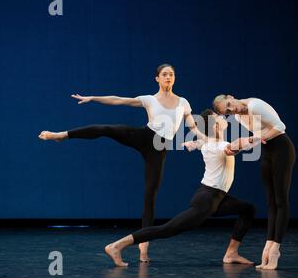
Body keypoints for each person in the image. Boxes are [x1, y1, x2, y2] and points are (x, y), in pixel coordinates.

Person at [38, 64, 205, 262]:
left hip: (159, 148)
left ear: (174, 78)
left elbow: (192, 126)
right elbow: (118, 100)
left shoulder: (183, 102)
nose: (168, 77)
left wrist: (205, 138)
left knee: (150, 194)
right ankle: (62, 135)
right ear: (157, 79)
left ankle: (143, 247)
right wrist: (93, 98)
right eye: (164, 74)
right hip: (144, 136)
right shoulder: (149, 99)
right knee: (106, 129)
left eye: (171, 74)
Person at [104, 109, 259, 267]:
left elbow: (205, 143)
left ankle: (231, 253)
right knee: (166, 229)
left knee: (248, 209)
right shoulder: (219, 145)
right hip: (207, 200)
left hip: (216, 197)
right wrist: (256, 138)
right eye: (217, 117)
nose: (221, 117)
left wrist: (193, 143)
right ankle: (116, 246)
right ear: (215, 127)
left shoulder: (209, 142)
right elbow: (232, 147)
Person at [212, 94, 296, 270]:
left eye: (229, 104)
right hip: (267, 152)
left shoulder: (255, 106)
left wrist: (249, 140)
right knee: (271, 202)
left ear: (231, 97)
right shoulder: (237, 117)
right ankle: (268, 246)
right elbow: (259, 137)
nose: (231, 109)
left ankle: (275, 250)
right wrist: (237, 148)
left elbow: (280, 126)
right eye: (226, 111)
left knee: (281, 201)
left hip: (282, 148)